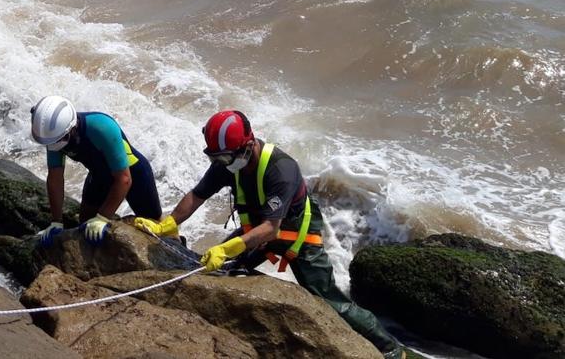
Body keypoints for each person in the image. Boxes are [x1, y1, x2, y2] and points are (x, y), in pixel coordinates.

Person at [133, 110, 403, 359]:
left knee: (331, 301)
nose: (220, 164)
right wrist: (167, 224)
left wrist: (228, 249)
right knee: (218, 274)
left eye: (224, 158)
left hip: (297, 236)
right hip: (256, 232)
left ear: (247, 146)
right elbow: (197, 195)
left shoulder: (280, 170)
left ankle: (389, 348)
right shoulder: (228, 161)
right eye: (215, 158)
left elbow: (271, 228)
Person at [29, 95, 161, 246]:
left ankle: (180, 248)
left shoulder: (102, 127)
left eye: (58, 141)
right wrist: (56, 222)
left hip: (133, 174)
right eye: (50, 143)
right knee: (85, 225)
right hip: (99, 176)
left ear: (71, 128)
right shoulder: (53, 136)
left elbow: (124, 179)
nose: (54, 147)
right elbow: (55, 179)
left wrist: (103, 217)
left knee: (155, 225)